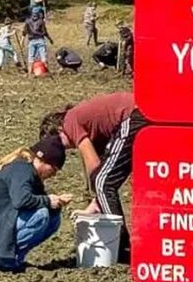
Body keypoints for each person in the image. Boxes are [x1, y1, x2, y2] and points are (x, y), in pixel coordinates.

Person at [41, 92, 146, 264]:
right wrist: (94, 203)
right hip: (140, 110)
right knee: (103, 181)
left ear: (59, 130)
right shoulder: (89, 125)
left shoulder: (70, 121)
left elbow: (94, 165)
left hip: (134, 114)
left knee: (103, 183)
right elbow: (102, 166)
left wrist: (97, 195)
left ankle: (121, 243)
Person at [0, 136, 72, 272]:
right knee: (41, 216)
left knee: (53, 219)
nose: (53, 175)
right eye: (53, 169)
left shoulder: (28, 171)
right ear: (42, 160)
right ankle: (4, 260)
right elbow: (21, 200)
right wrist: (48, 201)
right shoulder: (22, 170)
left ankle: (11, 259)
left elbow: (33, 200)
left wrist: (56, 203)